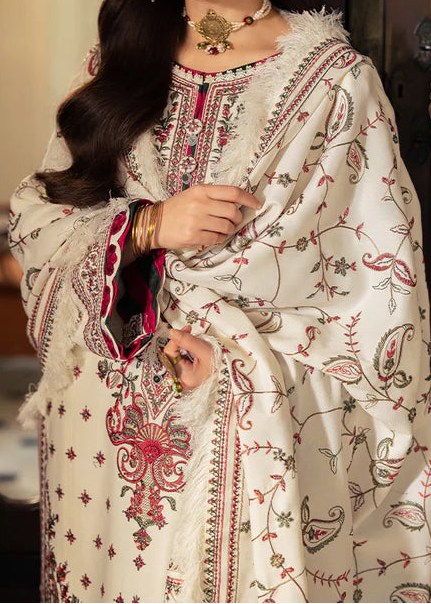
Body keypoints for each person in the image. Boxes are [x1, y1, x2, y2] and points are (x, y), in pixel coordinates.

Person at [9, 1, 431, 602]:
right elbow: (39, 223)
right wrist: (148, 225)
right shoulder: (120, 58)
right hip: (98, 429)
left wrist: (238, 367)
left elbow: (380, 319)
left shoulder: (334, 82)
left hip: (235, 432)